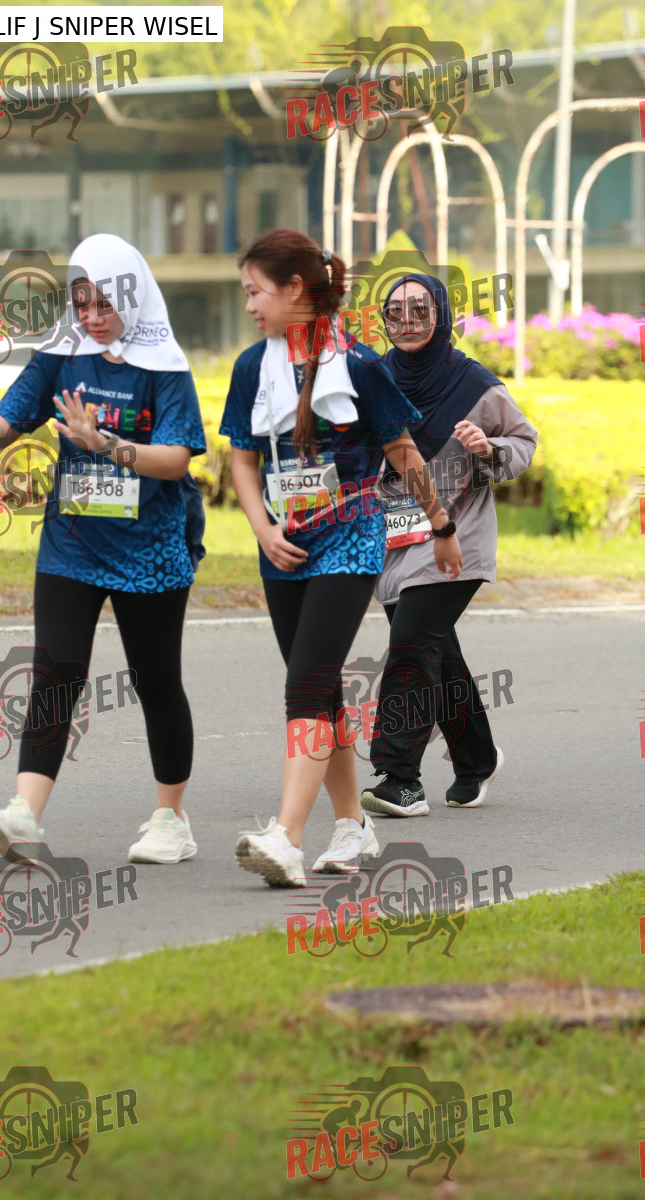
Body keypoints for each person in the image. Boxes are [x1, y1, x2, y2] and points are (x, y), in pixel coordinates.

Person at [0, 233, 207, 864]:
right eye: (81, 302)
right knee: (55, 674)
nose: (90, 317)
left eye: (104, 305)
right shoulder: (62, 353)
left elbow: (176, 460)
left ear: (133, 299)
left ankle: (171, 820)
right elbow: (18, 409)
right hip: (72, 544)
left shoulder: (164, 365)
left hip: (150, 551)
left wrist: (107, 445)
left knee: (156, 681)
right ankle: (24, 815)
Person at [219, 230, 462, 887]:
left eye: (256, 292)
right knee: (321, 690)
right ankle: (354, 824)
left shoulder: (358, 366)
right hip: (283, 546)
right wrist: (262, 529)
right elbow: (242, 458)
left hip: (349, 539)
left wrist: (441, 524)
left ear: (295, 289)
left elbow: (403, 451)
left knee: (303, 687)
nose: (250, 306)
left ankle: (286, 836)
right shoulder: (252, 367)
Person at [360, 273, 537, 817]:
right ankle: (477, 758)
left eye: (420, 310)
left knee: (412, 644)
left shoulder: (473, 383)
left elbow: (523, 442)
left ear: (440, 314)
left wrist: (488, 448)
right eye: (395, 312)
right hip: (394, 539)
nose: (407, 321)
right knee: (439, 654)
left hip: (456, 536)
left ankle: (399, 778)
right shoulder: (375, 378)